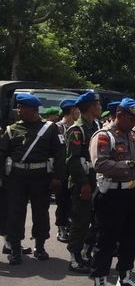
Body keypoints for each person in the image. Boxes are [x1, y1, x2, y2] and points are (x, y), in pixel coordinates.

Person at [89, 98, 135, 286]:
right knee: (106, 242)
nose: (134, 123)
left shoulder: (133, 135)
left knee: (130, 239)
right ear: (120, 115)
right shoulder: (104, 136)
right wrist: (133, 164)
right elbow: (100, 164)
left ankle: (124, 278)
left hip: (131, 193)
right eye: (131, 118)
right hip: (110, 194)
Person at [0, 93, 65, 265]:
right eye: (19, 107)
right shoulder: (11, 129)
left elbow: (59, 154)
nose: (19, 110)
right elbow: (2, 154)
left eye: (22, 107)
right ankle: (14, 249)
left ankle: (40, 246)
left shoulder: (50, 128)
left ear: (34, 110)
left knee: (41, 212)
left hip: (40, 176)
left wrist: (58, 177)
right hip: (16, 177)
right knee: (15, 213)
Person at [65, 91, 102, 273]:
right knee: (80, 220)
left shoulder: (97, 126)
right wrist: (83, 184)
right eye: (98, 105)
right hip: (84, 181)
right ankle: (75, 257)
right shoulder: (76, 130)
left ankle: (87, 251)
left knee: (96, 220)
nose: (100, 108)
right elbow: (72, 160)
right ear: (90, 107)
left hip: (98, 179)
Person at [55, 99, 79, 243]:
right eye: (77, 110)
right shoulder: (57, 127)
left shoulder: (78, 127)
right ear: (71, 111)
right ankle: (62, 227)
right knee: (62, 201)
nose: (79, 113)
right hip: (62, 170)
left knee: (73, 201)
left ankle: (70, 224)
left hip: (74, 170)